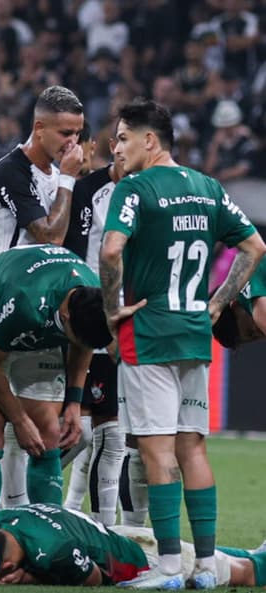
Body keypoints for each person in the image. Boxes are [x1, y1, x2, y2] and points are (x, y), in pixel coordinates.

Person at [100, 98, 266, 589]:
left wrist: (111, 309)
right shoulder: (208, 187)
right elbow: (255, 246)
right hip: (195, 334)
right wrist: (218, 303)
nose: (116, 148)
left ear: (150, 140)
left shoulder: (134, 188)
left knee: (157, 452)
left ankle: (170, 567)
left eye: (123, 138)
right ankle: (208, 567)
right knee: (193, 448)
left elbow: (111, 250)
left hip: (149, 334)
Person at [0, 85, 84, 511]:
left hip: (48, 315)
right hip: (6, 308)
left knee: (47, 431)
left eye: (78, 133)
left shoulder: (62, 174)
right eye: (65, 133)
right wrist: (68, 179)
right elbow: (50, 236)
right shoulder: (11, 170)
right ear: (39, 127)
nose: (73, 143)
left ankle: (38, 522)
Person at [0, 244, 120, 514]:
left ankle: (48, 526)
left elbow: (83, 345)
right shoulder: (25, 305)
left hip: (43, 327)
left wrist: (74, 401)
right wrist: (19, 420)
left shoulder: (94, 295)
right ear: (66, 317)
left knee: (49, 431)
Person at [0, 502, 266, 588]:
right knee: (202, 552)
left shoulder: (55, 553)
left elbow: (95, 579)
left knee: (246, 572)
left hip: (144, 561)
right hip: (116, 535)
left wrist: (28, 577)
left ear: (6, 567)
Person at [61, 131, 127, 527]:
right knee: (83, 432)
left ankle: (106, 527)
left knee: (114, 437)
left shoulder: (150, 195)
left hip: (126, 323)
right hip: (89, 321)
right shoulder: (88, 191)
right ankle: (59, 506)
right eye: (120, 141)